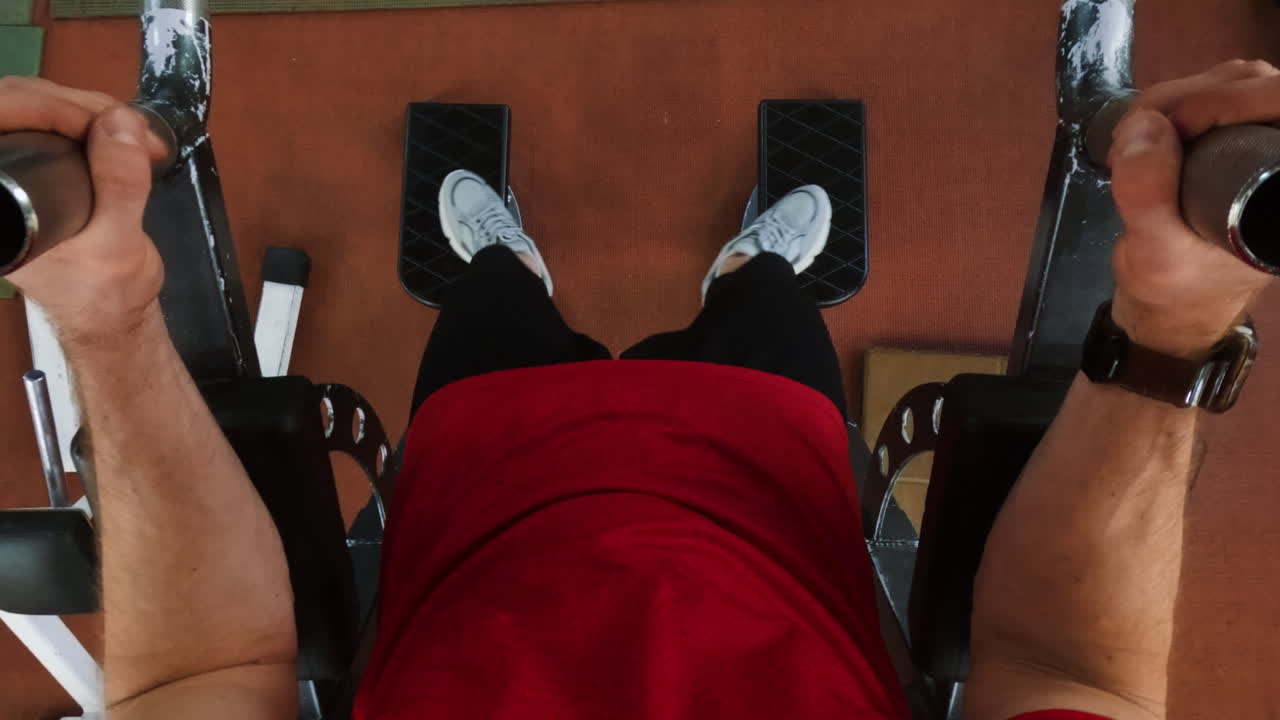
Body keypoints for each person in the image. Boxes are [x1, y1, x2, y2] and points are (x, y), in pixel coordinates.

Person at [1, 56, 1275, 720]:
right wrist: (1163, 333)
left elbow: (203, 671)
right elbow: (1063, 663)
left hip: (486, 468)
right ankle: (741, 263)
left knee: (491, 301)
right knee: (766, 305)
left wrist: (109, 319)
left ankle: (505, 255)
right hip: (756, 466)